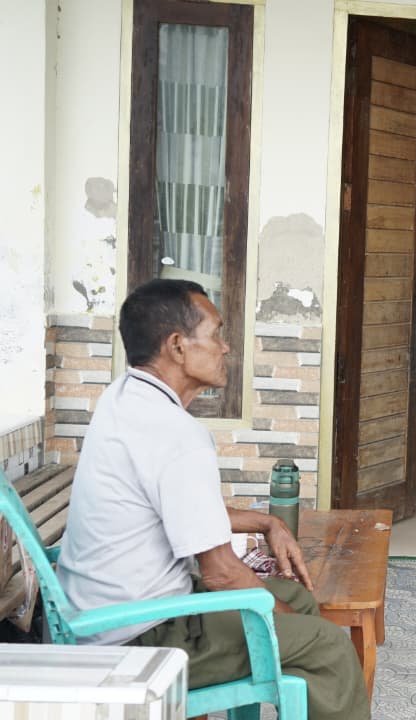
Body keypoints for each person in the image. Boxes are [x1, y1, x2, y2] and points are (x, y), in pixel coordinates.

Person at [56, 279, 370, 720]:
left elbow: (177, 510)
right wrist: (282, 619)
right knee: (329, 646)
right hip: (138, 640)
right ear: (177, 346)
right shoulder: (178, 434)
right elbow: (220, 572)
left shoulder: (123, 398)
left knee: (295, 599)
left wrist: (267, 522)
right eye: (216, 333)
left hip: (101, 617)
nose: (226, 348)